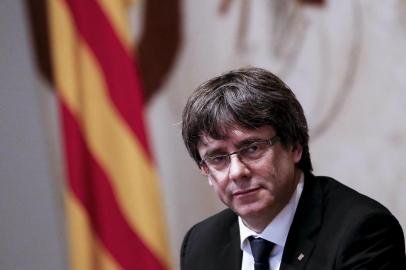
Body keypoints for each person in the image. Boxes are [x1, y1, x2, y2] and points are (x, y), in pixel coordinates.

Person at [179, 67, 406, 270]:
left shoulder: (361, 231)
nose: (237, 172)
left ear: (294, 146)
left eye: (253, 148)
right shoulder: (201, 245)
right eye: (218, 158)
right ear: (205, 170)